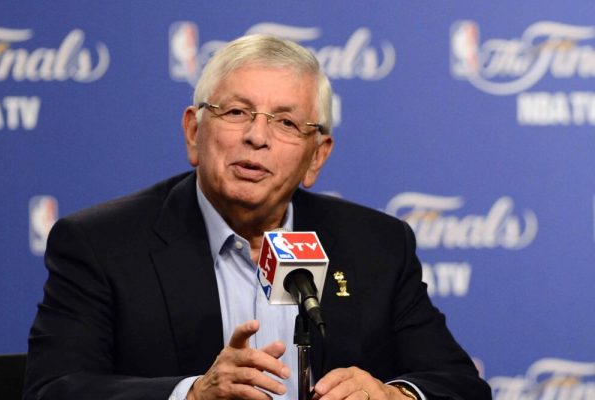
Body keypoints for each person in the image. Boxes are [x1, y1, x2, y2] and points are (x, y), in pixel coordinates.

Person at [24, 34, 491, 400]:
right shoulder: (100, 244)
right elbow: (52, 390)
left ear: (316, 158)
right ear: (193, 132)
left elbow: (458, 384)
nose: (257, 136)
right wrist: (191, 395)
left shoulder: (377, 246)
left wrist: (395, 395)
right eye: (236, 111)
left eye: (287, 123)